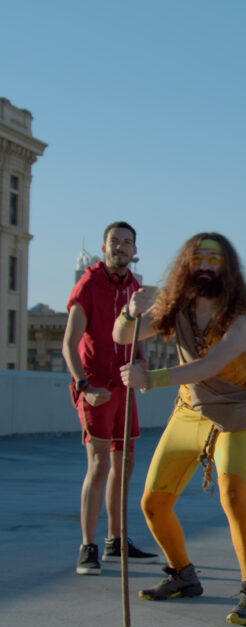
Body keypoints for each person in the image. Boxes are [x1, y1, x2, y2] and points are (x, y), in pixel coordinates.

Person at [114, 233, 246, 626]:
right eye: (197, 258)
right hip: (188, 411)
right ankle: (182, 573)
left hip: (234, 415)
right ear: (186, 263)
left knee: (233, 496)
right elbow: (122, 336)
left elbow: (210, 365)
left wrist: (151, 378)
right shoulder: (175, 307)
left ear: (227, 267)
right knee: (153, 504)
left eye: (213, 259)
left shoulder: (244, 317)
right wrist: (130, 311)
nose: (204, 265)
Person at [62, 221, 157, 575]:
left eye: (127, 243)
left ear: (134, 251)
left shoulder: (134, 287)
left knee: (126, 464)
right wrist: (84, 385)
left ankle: (116, 540)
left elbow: (139, 335)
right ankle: (87, 547)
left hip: (125, 388)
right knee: (99, 464)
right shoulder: (88, 285)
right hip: (96, 388)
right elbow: (69, 344)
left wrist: (143, 363)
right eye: (114, 242)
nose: (120, 248)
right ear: (104, 247)